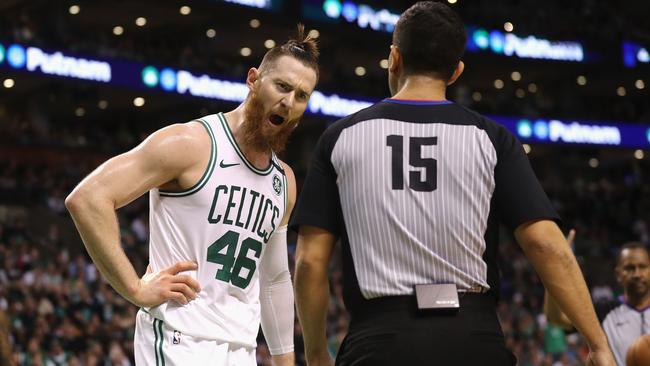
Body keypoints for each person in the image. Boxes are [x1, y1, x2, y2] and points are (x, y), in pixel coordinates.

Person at [290, 2, 615, 366]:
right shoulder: (493, 139)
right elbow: (546, 246)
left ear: (394, 58)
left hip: (379, 341)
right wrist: (598, 343)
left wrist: (317, 353)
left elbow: (309, 263)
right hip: (473, 338)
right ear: (456, 71)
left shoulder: (340, 137)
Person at [65, 25, 319, 366]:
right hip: (179, 340)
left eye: (301, 95)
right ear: (254, 79)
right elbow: (88, 198)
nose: (288, 102)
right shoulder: (190, 143)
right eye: (282, 86)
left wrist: (285, 361)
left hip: (240, 349)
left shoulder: (284, 181)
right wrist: (134, 289)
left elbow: (273, 279)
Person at [545, 235, 650, 365]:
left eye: (642, 267)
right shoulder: (603, 311)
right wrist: (554, 268)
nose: (637, 274)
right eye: (629, 268)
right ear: (618, 274)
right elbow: (557, 318)